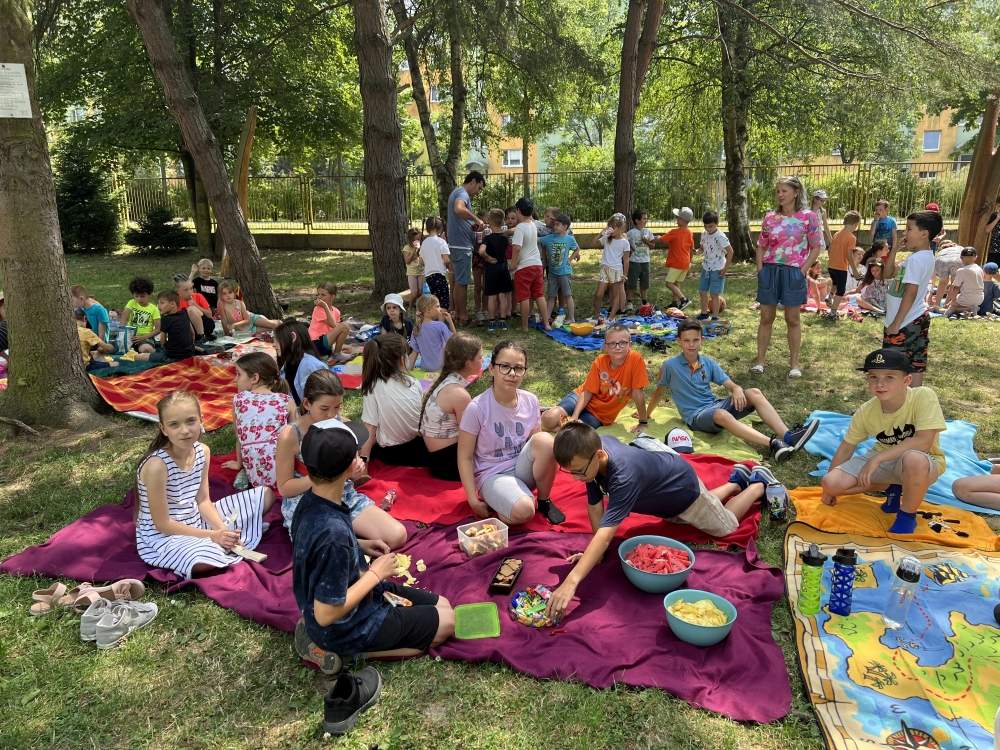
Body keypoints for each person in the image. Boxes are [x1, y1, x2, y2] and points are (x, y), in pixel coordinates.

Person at [545, 422, 776, 621]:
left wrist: (571, 582)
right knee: (697, 510)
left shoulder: (623, 477)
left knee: (725, 526)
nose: (576, 478)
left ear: (599, 456)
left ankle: (757, 484)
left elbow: (605, 536)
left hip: (682, 490)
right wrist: (596, 555)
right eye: (570, 472)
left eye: (579, 472)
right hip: (664, 492)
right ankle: (736, 483)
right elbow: (596, 506)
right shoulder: (593, 450)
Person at [291, 418, 453, 674]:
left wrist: (360, 546)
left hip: (357, 596)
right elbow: (325, 613)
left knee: (442, 605)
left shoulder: (311, 501)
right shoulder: (331, 532)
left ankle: (332, 641)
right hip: (345, 626)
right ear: (350, 467)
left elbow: (319, 552)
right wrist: (376, 573)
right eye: (357, 454)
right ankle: (347, 654)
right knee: (445, 624)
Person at [135, 391, 275, 579]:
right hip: (165, 535)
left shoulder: (203, 451)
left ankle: (224, 541)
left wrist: (223, 531)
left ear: (201, 420)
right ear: (163, 429)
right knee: (203, 562)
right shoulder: (157, 465)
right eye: (174, 424)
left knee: (265, 495)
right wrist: (212, 535)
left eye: (190, 421)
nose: (184, 430)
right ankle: (222, 542)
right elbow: (163, 524)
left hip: (196, 519)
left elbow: (203, 501)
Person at [647, 319, 818, 460]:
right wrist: (645, 416)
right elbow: (659, 392)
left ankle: (788, 436)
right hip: (696, 417)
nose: (691, 344)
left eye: (695, 340)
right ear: (679, 341)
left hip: (715, 405)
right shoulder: (670, 365)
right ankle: (774, 444)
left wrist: (736, 389)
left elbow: (730, 384)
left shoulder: (708, 363)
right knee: (721, 414)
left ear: (702, 340)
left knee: (753, 392)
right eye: (686, 340)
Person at [820, 348, 946, 535]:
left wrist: (877, 459)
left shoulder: (923, 396)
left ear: (906, 381)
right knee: (830, 482)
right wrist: (828, 490)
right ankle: (892, 487)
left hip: (922, 461)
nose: (880, 384)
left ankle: (907, 516)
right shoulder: (866, 410)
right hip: (883, 460)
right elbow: (846, 448)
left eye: (889, 377)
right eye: (873, 377)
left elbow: (923, 442)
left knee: (914, 459)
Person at [276, 369, 406, 548]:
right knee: (318, 546)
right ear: (306, 403)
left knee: (397, 535)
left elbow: (354, 476)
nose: (331, 414)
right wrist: (322, 477)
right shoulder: (291, 435)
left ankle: (345, 542)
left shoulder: (343, 424)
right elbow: (284, 488)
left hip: (342, 495)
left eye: (337, 407)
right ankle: (356, 544)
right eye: (324, 409)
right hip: (306, 501)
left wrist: (356, 470)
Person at [457, 339, 564, 525]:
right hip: (492, 475)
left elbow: (536, 442)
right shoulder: (477, 408)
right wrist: (473, 501)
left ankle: (544, 500)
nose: (512, 374)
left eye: (518, 368)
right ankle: (513, 503)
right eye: (505, 367)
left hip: (522, 468)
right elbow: (464, 457)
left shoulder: (531, 400)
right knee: (525, 511)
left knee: (546, 440)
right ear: (492, 369)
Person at [754, 175, 824, 378]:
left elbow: (816, 246)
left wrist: (802, 270)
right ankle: (760, 362)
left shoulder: (808, 217)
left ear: (796, 192)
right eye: (778, 191)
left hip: (794, 272)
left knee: (792, 319)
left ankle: (794, 364)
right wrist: (760, 270)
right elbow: (761, 246)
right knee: (766, 318)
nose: (780, 194)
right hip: (769, 271)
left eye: (784, 190)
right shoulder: (770, 217)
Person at [542, 324, 649, 432]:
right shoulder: (600, 361)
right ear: (605, 347)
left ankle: (560, 426)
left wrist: (643, 422)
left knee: (574, 433)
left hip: (600, 414)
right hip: (581, 397)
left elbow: (637, 393)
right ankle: (553, 415)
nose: (617, 347)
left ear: (630, 345)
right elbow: (588, 392)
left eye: (622, 343)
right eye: (612, 343)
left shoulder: (635, 359)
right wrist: (575, 416)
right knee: (548, 418)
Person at [220, 352, 295, 494]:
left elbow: (239, 437)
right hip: (285, 474)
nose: (235, 379)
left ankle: (244, 476)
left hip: (255, 477)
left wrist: (239, 464)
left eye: (238, 374)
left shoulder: (238, 399)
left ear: (255, 378)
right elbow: (297, 436)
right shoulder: (286, 400)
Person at [883, 209, 942, 387]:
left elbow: (910, 292)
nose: (904, 233)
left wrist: (896, 323)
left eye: (909, 229)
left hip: (905, 322)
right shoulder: (923, 256)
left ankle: (896, 402)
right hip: (917, 316)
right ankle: (915, 401)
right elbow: (888, 274)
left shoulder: (916, 260)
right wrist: (894, 251)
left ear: (924, 234)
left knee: (893, 367)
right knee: (915, 365)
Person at [420, 332, 483, 481]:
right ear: (468, 363)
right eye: (480, 357)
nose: (483, 360)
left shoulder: (446, 382)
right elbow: (471, 436)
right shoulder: (459, 394)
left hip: (437, 458)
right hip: (447, 464)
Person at [359, 333, 429, 467]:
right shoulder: (414, 382)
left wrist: (363, 465)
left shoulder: (373, 387)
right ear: (402, 360)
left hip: (392, 454)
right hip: (418, 449)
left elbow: (370, 427)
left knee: (360, 436)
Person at [446, 171, 487, 326]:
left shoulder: (457, 192)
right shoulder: (462, 193)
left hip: (458, 244)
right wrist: (476, 219)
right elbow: (458, 208)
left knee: (458, 281)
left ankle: (458, 314)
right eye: (479, 188)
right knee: (462, 282)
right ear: (473, 181)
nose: (479, 192)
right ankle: (463, 317)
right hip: (461, 246)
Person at [510, 197, 550, 332]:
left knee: (524, 297)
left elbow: (517, 248)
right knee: (539, 295)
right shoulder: (533, 224)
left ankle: (525, 327)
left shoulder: (520, 228)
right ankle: (546, 324)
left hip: (524, 267)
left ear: (518, 210)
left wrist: (513, 264)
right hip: (537, 265)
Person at [275, 319, 328, 408]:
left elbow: (324, 402)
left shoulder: (312, 365)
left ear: (293, 337)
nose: (273, 344)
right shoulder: (288, 363)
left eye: (277, 340)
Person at [540, 213, 580, 326]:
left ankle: (571, 317)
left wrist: (570, 259)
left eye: (557, 225)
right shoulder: (549, 238)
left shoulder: (569, 239)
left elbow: (577, 249)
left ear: (565, 226)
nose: (555, 226)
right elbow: (537, 240)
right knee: (551, 296)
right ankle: (547, 317)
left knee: (568, 295)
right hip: (552, 273)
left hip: (564, 273)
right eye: (554, 224)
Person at [134, 290, 196, 363]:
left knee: (137, 357)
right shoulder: (184, 313)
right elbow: (193, 333)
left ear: (172, 304)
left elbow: (162, 342)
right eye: (158, 303)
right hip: (189, 354)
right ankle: (203, 351)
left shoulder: (165, 319)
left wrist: (168, 349)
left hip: (172, 357)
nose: (158, 305)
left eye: (162, 303)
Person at [590, 213, 630, 322]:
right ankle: (595, 316)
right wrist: (601, 233)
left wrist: (625, 275)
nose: (610, 229)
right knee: (598, 295)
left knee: (614, 294)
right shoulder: (607, 238)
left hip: (616, 271)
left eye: (613, 227)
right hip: (605, 269)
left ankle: (611, 317)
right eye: (609, 227)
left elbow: (626, 260)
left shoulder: (625, 243)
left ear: (620, 228)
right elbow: (593, 244)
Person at [478, 208, 512, 333]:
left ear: (490, 222)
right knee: (503, 296)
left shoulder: (487, 238)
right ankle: (502, 321)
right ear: (503, 223)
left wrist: (487, 258)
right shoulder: (505, 238)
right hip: (503, 268)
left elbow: (481, 251)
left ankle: (492, 322)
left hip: (491, 269)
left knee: (491, 297)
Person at [694, 211, 733, 322]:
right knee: (702, 291)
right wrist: (696, 252)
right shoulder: (704, 234)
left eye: (710, 226)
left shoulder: (721, 236)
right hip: (706, 267)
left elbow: (730, 252)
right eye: (705, 226)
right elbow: (702, 249)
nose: (708, 229)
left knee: (714, 294)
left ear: (717, 223)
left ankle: (715, 318)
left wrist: (725, 269)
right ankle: (704, 314)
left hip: (718, 268)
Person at [826, 210, 863, 317]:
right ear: (856, 224)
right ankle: (833, 313)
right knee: (841, 290)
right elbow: (849, 255)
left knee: (835, 283)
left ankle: (829, 296)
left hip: (831, 266)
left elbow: (830, 250)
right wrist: (855, 270)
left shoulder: (837, 234)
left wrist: (832, 259)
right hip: (841, 268)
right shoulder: (851, 238)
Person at [659, 207, 695, 309]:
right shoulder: (690, 233)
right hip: (685, 262)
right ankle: (674, 303)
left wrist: (652, 240)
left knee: (669, 283)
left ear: (682, 220)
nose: (676, 219)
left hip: (677, 263)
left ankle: (684, 299)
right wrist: (690, 262)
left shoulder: (675, 232)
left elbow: (661, 239)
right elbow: (691, 249)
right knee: (676, 282)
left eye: (678, 218)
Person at [409, 294, 454, 372]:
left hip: (425, 368)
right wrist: (450, 322)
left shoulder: (416, 327)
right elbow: (455, 341)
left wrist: (410, 368)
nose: (440, 309)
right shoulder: (440, 325)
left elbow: (415, 350)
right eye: (438, 306)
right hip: (441, 367)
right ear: (428, 310)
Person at [934, 247, 984, 317]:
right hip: (980, 298)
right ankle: (970, 308)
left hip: (967, 298)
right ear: (975, 257)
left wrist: (953, 301)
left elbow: (956, 287)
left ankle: (967, 309)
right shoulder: (979, 269)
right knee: (959, 299)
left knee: (947, 308)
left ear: (961, 258)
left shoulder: (961, 271)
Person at [309, 282, 352, 363]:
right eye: (318, 294)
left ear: (332, 297)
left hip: (327, 342)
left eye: (323, 295)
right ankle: (336, 354)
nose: (319, 297)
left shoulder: (336, 311)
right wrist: (325, 306)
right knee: (345, 326)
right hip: (316, 343)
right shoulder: (318, 309)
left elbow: (336, 330)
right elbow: (333, 324)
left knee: (349, 349)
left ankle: (327, 355)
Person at [418, 216, 451, 311]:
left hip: (429, 276)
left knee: (435, 300)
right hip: (439, 274)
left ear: (427, 228)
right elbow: (446, 260)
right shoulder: (441, 242)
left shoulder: (424, 243)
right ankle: (442, 318)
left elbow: (421, 261)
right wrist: (448, 265)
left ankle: (435, 316)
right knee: (444, 300)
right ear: (440, 229)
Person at [625, 209, 654, 312]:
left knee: (644, 283)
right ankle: (629, 301)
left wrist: (646, 241)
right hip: (634, 261)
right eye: (644, 219)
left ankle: (644, 302)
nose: (646, 221)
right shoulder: (631, 232)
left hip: (645, 261)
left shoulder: (648, 232)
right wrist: (629, 247)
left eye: (646, 219)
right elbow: (623, 240)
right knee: (632, 283)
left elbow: (652, 245)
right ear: (637, 221)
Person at [175, 275, 216, 342]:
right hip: (188, 328)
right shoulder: (176, 301)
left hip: (206, 325)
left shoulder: (198, 296)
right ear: (178, 291)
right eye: (186, 290)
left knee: (191, 309)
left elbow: (209, 315)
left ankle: (201, 336)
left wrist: (196, 305)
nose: (189, 292)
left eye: (191, 288)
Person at [123, 277, 161, 350]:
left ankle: (152, 350)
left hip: (145, 338)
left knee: (145, 349)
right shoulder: (132, 303)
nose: (139, 299)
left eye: (142, 296)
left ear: (150, 294)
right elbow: (124, 317)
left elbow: (158, 329)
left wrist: (143, 337)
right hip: (130, 336)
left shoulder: (154, 309)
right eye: (136, 296)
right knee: (114, 348)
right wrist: (122, 333)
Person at [930, 240, 963, 307]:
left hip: (941, 260)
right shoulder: (958, 247)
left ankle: (937, 304)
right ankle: (947, 304)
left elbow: (933, 274)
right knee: (954, 284)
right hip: (956, 260)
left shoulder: (941, 252)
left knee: (943, 282)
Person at [402, 228, 424, 313]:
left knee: (420, 293)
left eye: (418, 239)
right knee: (414, 294)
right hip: (412, 273)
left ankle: (418, 309)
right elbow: (407, 261)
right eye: (415, 240)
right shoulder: (407, 248)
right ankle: (410, 309)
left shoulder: (422, 247)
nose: (417, 242)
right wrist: (414, 250)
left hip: (421, 272)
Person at [985, 196, 1000, 267]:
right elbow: (987, 230)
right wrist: (997, 219)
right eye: (999, 206)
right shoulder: (994, 216)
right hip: (994, 250)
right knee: (989, 269)